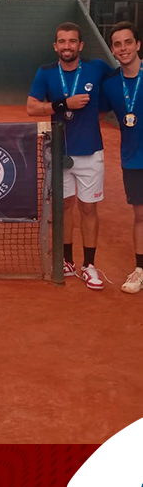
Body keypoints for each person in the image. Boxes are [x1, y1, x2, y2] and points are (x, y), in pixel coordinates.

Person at [27, 22, 113, 289]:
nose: (67, 46)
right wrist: (64, 104)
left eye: (72, 41)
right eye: (62, 42)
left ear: (81, 45)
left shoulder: (97, 68)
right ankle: (66, 261)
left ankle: (89, 265)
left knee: (88, 208)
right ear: (56, 46)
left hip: (90, 153)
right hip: (58, 153)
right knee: (63, 208)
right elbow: (31, 107)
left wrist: (89, 119)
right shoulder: (45, 72)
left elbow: (113, 92)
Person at [100, 21, 143, 293]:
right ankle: (141, 270)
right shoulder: (110, 84)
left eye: (128, 42)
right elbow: (94, 114)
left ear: (138, 45)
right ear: (113, 50)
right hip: (133, 159)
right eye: (117, 44)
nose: (123, 48)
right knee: (141, 215)